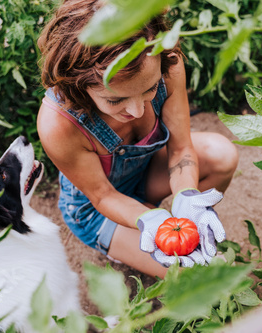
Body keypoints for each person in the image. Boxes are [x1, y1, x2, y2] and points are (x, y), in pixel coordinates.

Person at [36, 0, 238, 278]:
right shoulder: (57, 123)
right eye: (115, 99)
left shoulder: (169, 64)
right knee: (196, 276)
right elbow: (102, 195)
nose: (138, 110)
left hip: (144, 175)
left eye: (150, 88)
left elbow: (180, 149)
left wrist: (187, 195)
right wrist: (146, 218)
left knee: (221, 154)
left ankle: (169, 217)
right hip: (98, 209)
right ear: (79, 86)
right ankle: (123, 237)